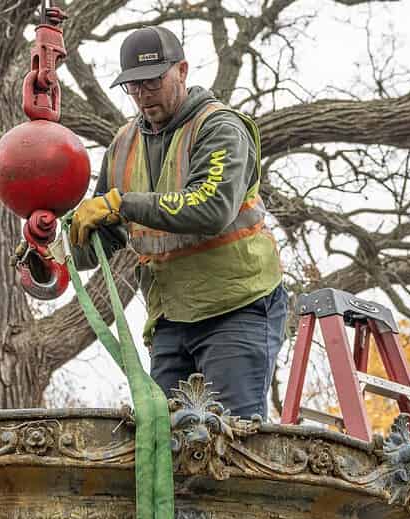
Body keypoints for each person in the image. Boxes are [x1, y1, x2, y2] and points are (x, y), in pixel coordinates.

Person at [69, 26, 287, 420]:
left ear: (182, 70)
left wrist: (122, 204)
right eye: (132, 86)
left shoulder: (218, 127)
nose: (142, 94)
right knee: (162, 443)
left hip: (235, 308)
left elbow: (211, 209)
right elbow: (99, 241)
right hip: (171, 318)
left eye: (152, 81)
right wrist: (52, 238)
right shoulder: (122, 146)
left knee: (230, 440)